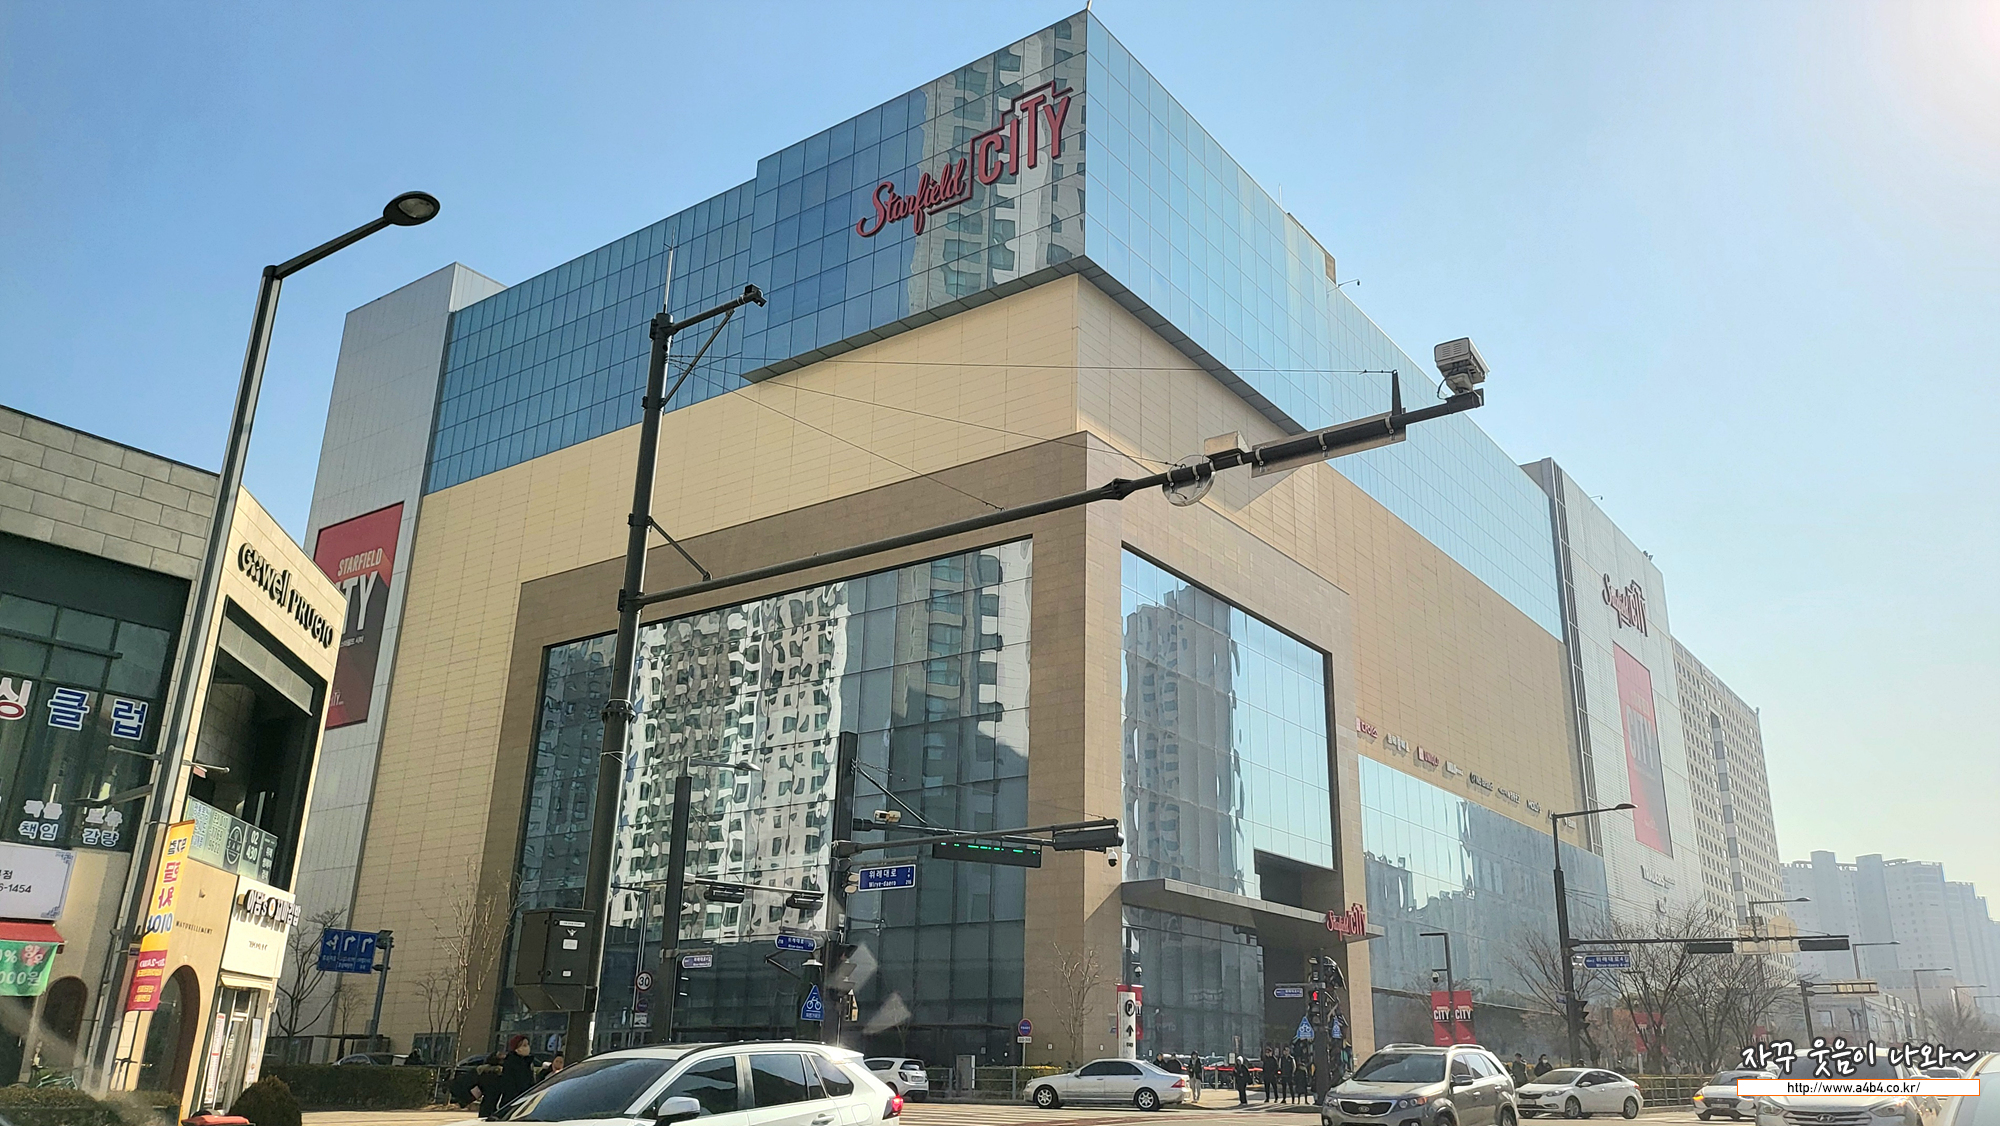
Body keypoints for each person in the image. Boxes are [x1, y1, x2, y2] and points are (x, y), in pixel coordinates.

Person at [497, 1035, 537, 1113]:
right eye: (524, 1045)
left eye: (527, 1044)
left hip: (526, 1101)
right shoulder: (512, 1063)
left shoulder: (528, 1062)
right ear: (517, 1049)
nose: (527, 1047)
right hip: (513, 1103)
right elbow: (510, 1086)